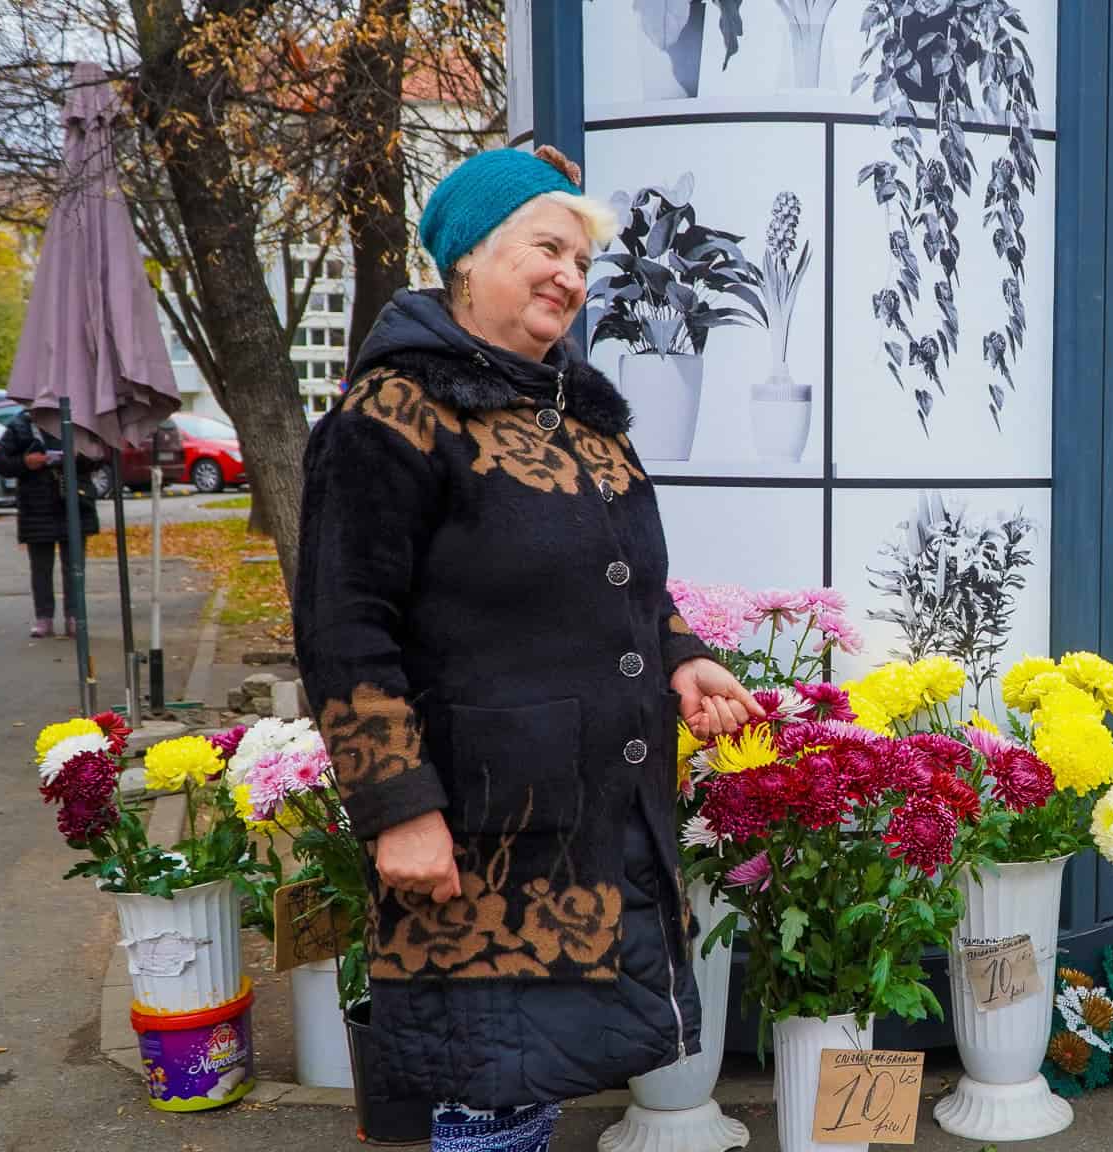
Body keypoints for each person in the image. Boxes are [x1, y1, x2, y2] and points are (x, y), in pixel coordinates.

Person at [294, 145, 764, 1150]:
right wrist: (398, 810)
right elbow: (342, 629)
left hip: (596, 810)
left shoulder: (576, 413)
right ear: (468, 257)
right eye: (546, 248)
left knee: (537, 1076)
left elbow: (619, 578)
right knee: (489, 1085)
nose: (570, 275)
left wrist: (680, 652)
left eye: (581, 261)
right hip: (477, 828)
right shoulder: (392, 415)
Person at [0, 407, 97, 638]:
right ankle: (44, 618)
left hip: (74, 503)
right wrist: (25, 462)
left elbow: (99, 456)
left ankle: (74, 617)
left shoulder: (76, 421)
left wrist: (79, 456)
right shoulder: (20, 425)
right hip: (36, 507)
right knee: (41, 568)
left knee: (75, 566)